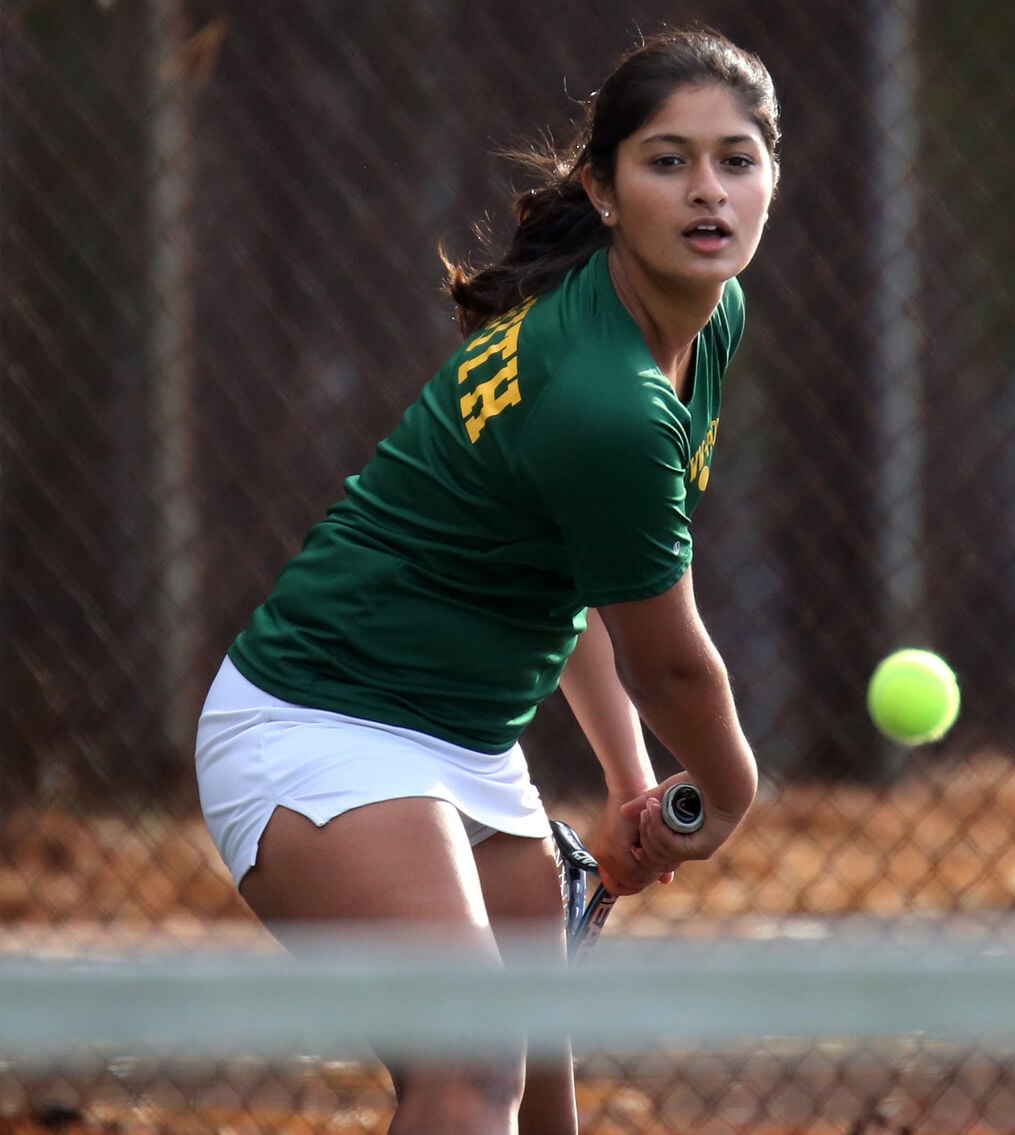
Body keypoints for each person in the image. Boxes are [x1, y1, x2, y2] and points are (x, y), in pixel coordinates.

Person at [195, 26, 780, 1135]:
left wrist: (627, 781)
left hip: (462, 740)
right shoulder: (605, 399)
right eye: (668, 161)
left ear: (770, 178)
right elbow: (667, 654)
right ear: (604, 191)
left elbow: (593, 577)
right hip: (321, 725)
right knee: (468, 1078)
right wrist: (731, 790)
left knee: (540, 1103)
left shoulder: (703, 323)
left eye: (736, 158)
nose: (708, 192)